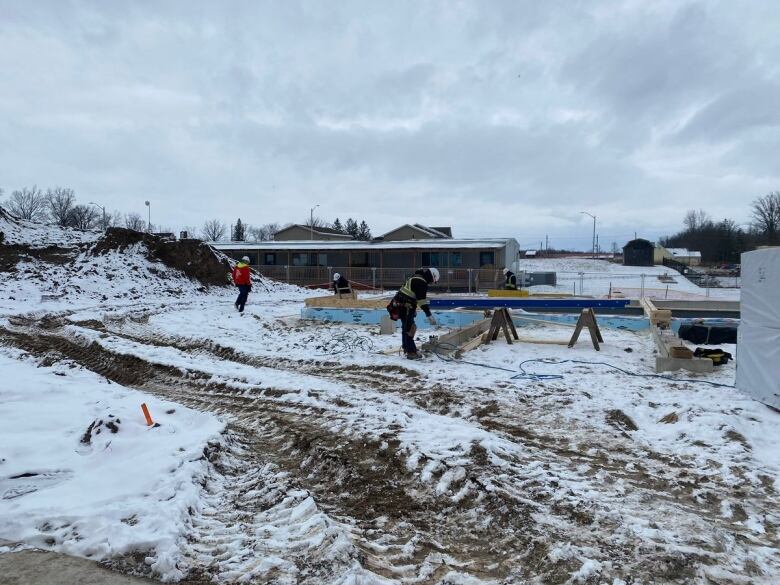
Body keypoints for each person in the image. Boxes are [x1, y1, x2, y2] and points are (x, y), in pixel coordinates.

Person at [394, 267, 439, 360]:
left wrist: (413, 309)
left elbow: (412, 295)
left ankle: (407, 348)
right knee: (410, 328)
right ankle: (411, 352)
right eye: (432, 281)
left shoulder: (416, 277)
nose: (431, 283)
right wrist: (429, 315)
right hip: (405, 306)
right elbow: (421, 301)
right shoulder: (421, 282)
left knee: (406, 327)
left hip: (401, 305)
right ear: (432, 276)